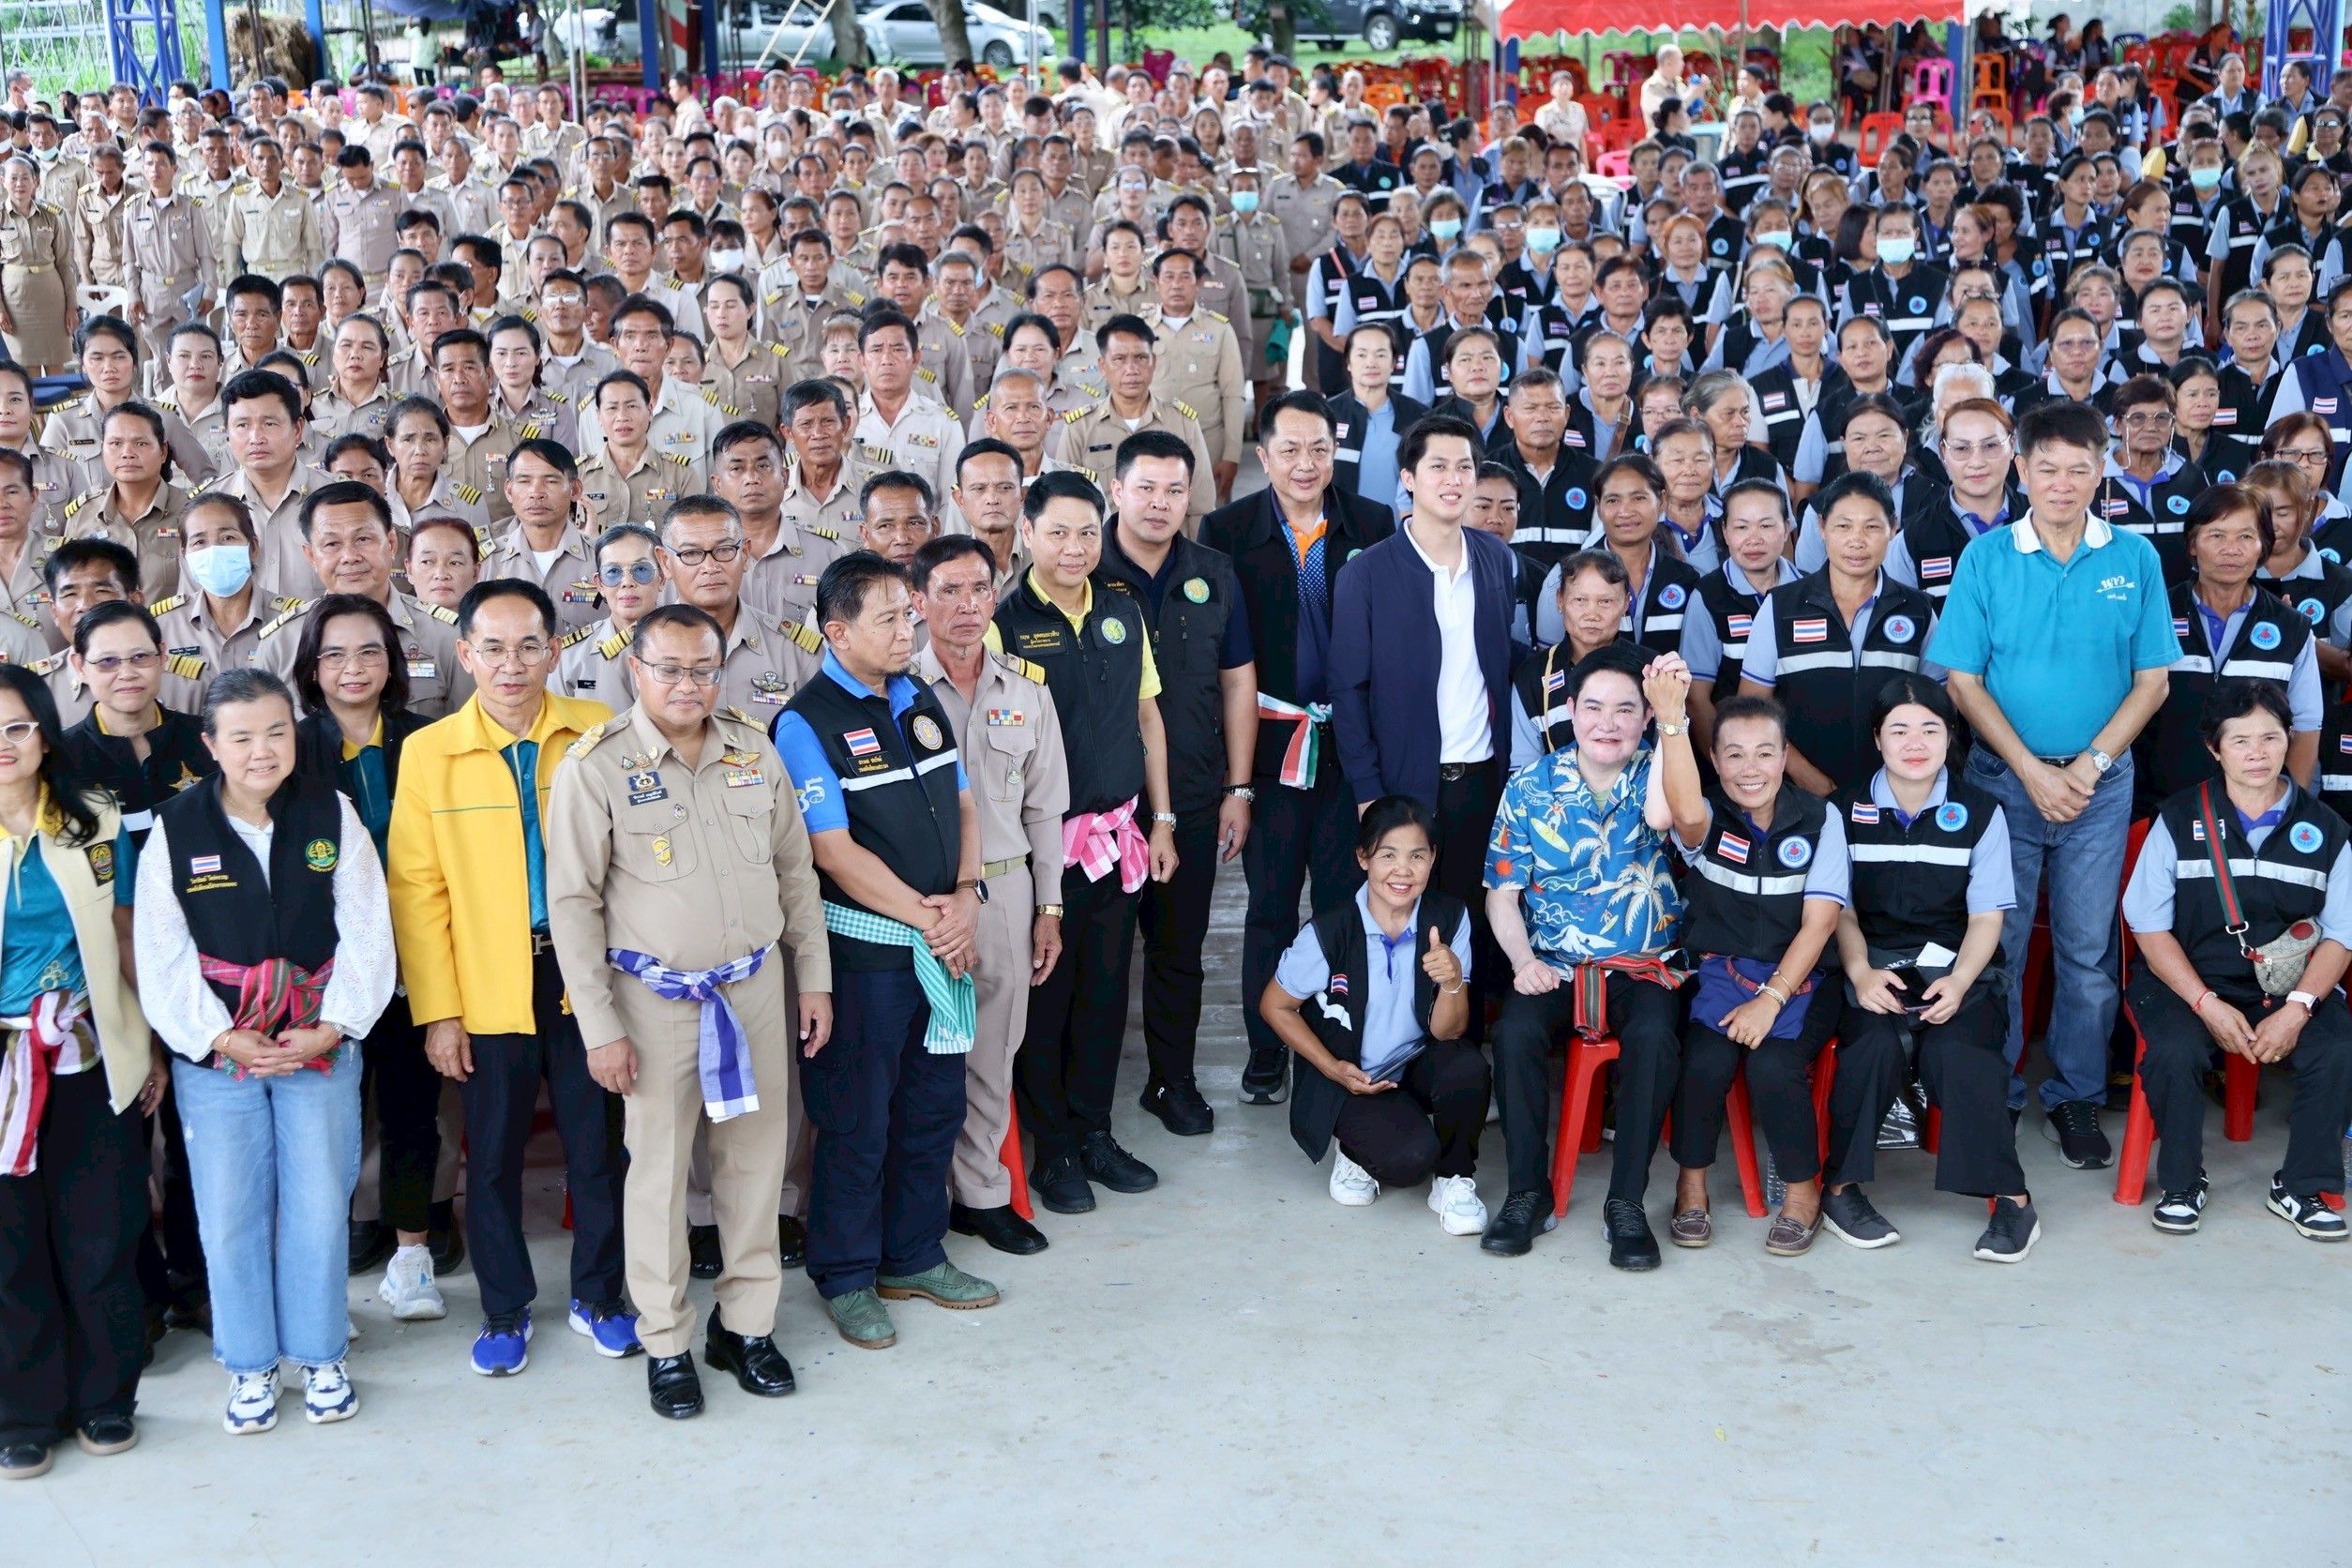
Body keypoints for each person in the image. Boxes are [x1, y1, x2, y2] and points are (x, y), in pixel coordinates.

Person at [548, 603, 832, 1416]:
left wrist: (813, 980)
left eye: (703, 669)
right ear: (635, 671)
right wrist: (599, 1026)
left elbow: (795, 875)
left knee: (755, 1164)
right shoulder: (596, 766)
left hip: (753, 992)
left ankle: (746, 1327)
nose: (687, 685)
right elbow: (571, 904)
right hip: (653, 1004)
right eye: (668, 669)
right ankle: (666, 1338)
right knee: (662, 1174)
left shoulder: (753, 750)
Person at [134, 668, 398, 1430]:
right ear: (211, 745)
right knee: (229, 1211)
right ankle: (249, 1365)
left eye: (276, 732)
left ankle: (321, 1353)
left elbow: (367, 928)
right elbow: (162, 949)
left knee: (319, 1202)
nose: (262, 750)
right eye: (242, 736)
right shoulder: (176, 826)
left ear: (296, 734)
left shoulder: (331, 812)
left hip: (318, 1040)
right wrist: (219, 1035)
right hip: (219, 1054)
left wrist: (336, 1022)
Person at [385, 579, 637, 1377]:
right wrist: (440, 1012)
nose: (511, 664)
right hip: (487, 983)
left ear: (555, 651)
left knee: (597, 1146)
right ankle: (504, 1310)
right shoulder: (429, 752)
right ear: (465, 655)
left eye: (529, 645)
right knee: (489, 1157)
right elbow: (417, 893)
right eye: (491, 648)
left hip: (585, 977)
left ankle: (599, 1296)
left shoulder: (598, 731)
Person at [1927, 399, 2179, 1168]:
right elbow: (1963, 683)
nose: (2063, 484)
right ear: (2020, 469)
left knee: (2087, 950)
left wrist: (2088, 768)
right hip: (2005, 780)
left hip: (2099, 787)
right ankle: (1995, 1094)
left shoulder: (2133, 558)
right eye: (2047, 469)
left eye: (2079, 469)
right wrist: (2035, 772)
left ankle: (2073, 1098)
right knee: (1995, 945)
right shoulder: (1987, 559)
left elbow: (2154, 682)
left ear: (2101, 469)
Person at [772, 554, 998, 1352]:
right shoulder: (805, 721)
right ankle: (845, 1273)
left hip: (941, 944)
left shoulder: (918, 693)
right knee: (857, 1121)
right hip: (868, 958)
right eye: (891, 620)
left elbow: (964, 799)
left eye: (910, 615)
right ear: (836, 632)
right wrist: (931, 919)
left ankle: (913, 1255)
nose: (911, 630)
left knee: (931, 1109)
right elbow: (832, 851)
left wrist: (966, 895)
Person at [993, 473, 1178, 1214]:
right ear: (1028, 534)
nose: (1075, 547)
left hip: (1117, 839)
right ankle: (1055, 1148)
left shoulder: (1121, 612)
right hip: (1043, 848)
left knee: (1105, 995)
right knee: (1048, 998)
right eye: (1059, 532)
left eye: (1088, 533)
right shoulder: (1006, 623)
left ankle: (1095, 1131)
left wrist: (1160, 821)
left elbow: (1150, 720)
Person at [1203, 392, 1395, 1103]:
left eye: (1320, 449)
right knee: (1270, 908)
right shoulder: (1225, 530)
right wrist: (1236, 783)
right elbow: (1221, 657)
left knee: (1345, 903)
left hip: (1352, 756)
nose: (1306, 464)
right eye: (1290, 449)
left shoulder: (1372, 524)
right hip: (1271, 752)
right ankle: (1265, 1050)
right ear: (1263, 457)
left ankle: (1339, 1037)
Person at [2121, 677, 2352, 1240]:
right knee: (2174, 1051)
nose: (2258, 754)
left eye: (2271, 738)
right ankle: (2182, 1182)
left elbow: (2342, 935)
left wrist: (2297, 1009)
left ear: (2288, 740)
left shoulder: (2327, 830)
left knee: (2338, 1045)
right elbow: (2148, 926)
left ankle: (2300, 1186)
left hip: (2289, 984)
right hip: (2186, 981)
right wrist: (2204, 1003)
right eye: (2241, 740)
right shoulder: (2176, 819)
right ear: (2213, 747)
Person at [1482, 643, 1687, 1268]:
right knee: (1514, 1032)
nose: (1608, 722)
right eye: (1593, 707)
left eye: (1626, 709)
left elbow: (1664, 813)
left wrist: (1671, 709)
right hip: (1554, 964)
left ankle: (1625, 1204)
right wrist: (1522, 962)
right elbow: (1501, 894)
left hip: (1639, 967)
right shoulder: (1528, 787)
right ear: (1568, 710)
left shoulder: (1664, 767)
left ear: (1645, 717)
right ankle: (1526, 1194)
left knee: (1655, 1035)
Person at [0, 666, 158, 1477]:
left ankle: (105, 1400)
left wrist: (151, 1044)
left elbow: (127, 934)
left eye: (17, 728)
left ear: (44, 732)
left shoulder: (90, 818)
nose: (4, 747)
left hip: (89, 1053)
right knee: (11, 1244)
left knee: (100, 1234)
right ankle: (25, 1411)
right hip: (1, 1072)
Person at [1819, 674, 2031, 1259]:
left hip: (1958, 967)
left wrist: (1960, 983)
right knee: (1872, 1047)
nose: (1916, 742)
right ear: (1878, 739)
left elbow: (1988, 919)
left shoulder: (1981, 811)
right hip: (1873, 963)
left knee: (1961, 1052)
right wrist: (1860, 974)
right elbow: (1839, 911)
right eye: (1900, 730)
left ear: (1949, 737)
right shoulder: (1843, 810)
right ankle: (1839, 1188)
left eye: (1931, 729)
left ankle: (2012, 1203)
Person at [1329, 414, 1515, 1034]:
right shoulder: (1368, 572)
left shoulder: (1493, 559)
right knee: (1410, 923)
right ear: (1408, 478)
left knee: (1477, 919)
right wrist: (1368, 790)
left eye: (1465, 466)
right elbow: (1347, 691)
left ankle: (1464, 1053)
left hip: (1481, 780)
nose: (1454, 478)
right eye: (1438, 466)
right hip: (1404, 786)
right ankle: (1399, 1058)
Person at [909, 537, 1069, 1257]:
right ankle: (915, 1202)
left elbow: (1044, 813)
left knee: (992, 1055)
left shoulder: (1027, 692)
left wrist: (1050, 908)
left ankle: (980, 1197)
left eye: (980, 589)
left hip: (1005, 893)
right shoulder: (892, 691)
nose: (968, 605)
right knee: (916, 1057)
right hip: (919, 900)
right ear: (917, 600)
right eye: (949, 590)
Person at [287, 593, 442, 1318]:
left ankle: (413, 1256)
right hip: (326, 968)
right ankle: (320, 1274)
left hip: (417, 958)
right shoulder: (286, 747)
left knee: (413, 1108)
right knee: (326, 1120)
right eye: (336, 653)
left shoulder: (429, 741)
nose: (354, 667)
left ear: (395, 662)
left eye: (371, 650)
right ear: (311, 669)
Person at [1097, 430, 1256, 1137]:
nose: (1159, 503)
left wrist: (1239, 789)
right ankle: (1084, 1102)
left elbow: (1238, 681)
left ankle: (1172, 1082)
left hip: (1191, 795)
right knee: (1096, 962)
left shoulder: (1215, 573)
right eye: (1145, 488)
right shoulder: (1081, 567)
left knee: (1178, 951)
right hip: (1097, 808)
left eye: (1173, 489)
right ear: (1116, 490)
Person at [1657, 692, 1847, 1255]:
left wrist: (1771, 998)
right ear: (1713, 761)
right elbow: (1685, 810)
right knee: (1705, 1059)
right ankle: (1690, 1183)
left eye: (1765, 753)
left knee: (1773, 1065)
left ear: (1785, 757)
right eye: (1734, 755)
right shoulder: (1707, 817)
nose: (1750, 769)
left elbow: (1819, 926)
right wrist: (1671, 723)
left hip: (1805, 979)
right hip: (1722, 972)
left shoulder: (1821, 819)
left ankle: (1801, 1190)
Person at [1260, 793, 1488, 1232]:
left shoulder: (1449, 918)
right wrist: (1331, 1068)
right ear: (1363, 858)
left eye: (1417, 856)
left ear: (1432, 859)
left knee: (1467, 1066)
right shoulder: (1330, 931)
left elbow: (1448, 1032)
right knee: (1407, 1161)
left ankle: (1455, 1179)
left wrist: (1453, 981)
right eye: (1388, 855)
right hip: (1350, 1078)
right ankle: (1353, 1151)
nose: (1403, 871)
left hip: (1415, 1063)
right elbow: (1275, 1005)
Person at [1738, 472, 1943, 795]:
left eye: (1872, 527)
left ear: (1893, 528)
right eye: (1843, 526)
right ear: (1821, 528)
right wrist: (1802, 774)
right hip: (1801, 796)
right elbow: (1750, 710)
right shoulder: (1781, 607)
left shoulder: (1917, 610)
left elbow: (1937, 711)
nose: (1857, 540)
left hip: (1896, 793)